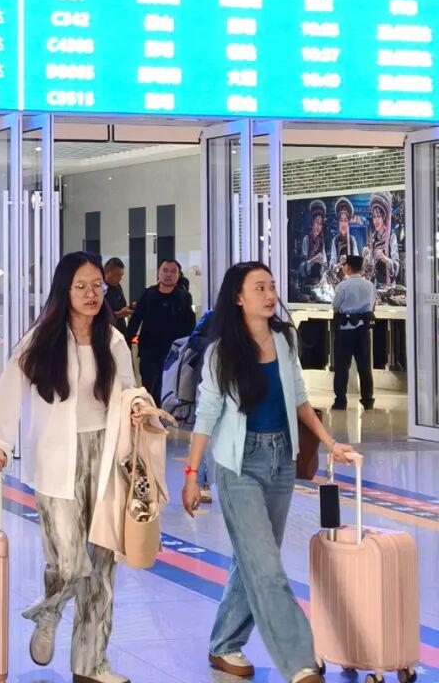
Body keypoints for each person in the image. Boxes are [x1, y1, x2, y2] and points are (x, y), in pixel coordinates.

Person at [181, 261, 354, 683]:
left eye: (272, 286)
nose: (270, 294)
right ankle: (301, 663)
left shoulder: (284, 340)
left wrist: (330, 443)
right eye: (259, 288)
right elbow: (206, 415)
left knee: (254, 559)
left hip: (281, 462)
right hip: (237, 465)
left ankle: (224, 644)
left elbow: (299, 400)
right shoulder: (221, 351)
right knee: (267, 568)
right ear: (238, 298)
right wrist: (191, 475)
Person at [0, 252, 139, 683]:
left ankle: (91, 665)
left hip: (106, 458)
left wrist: (140, 410)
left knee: (102, 568)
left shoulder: (113, 341)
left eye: (97, 286)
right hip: (56, 459)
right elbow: (8, 390)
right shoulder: (41, 340)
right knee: (69, 563)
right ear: (64, 292)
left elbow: (128, 393)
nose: (91, 294)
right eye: (81, 287)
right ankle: (49, 611)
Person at [126, 259, 195, 403]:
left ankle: (166, 414)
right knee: (149, 387)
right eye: (165, 270)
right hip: (149, 350)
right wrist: (128, 341)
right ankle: (150, 413)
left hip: (173, 352)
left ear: (178, 275)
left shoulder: (183, 297)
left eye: (173, 271)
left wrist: (189, 347)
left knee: (170, 387)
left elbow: (189, 325)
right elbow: (136, 319)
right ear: (158, 273)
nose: (168, 274)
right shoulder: (148, 294)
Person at [332, 255, 376, 411]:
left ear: (348, 267)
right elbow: (372, 305)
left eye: (345, 265)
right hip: (363, 330)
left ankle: (340, 401)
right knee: (365, 367)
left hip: (345, 330)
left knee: (342, 367)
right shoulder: (369, 286)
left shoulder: (342, 286)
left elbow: (336, 306)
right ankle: (368, 401)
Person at [367, 191, 399, 286]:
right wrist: (366, 257)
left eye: (378, 216)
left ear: (384, 217)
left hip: (389, 287)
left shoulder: (391, 237)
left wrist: (385, 259)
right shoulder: (373, 237)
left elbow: (396, 267)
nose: (375, 220)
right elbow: (370, 266)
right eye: (374, 216)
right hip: (375, 285)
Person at [328, 197, 359, 278]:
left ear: (348, 223)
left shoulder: (352, 240)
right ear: (338, 222)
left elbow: (357, 261)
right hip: (339, 279)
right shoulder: (335, 240)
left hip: (351, 278)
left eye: (345, 220)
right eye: (341, 220)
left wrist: (347, 259)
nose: (343, 224)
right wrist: (335, 266)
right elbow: (333, 261)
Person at [298, 199, 327, 284]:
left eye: (320, 224)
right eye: (317, 222)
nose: (318, 226)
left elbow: (324, 264)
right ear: (312, 222)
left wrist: (324, 275)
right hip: (307, 283)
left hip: (319, 283)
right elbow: (302, 269)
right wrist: (314, 259)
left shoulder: (321, 242)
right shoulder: (306, 239)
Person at [103, 257, 131, 337]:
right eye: (117, 275)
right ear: (107, 273)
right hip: (106, 333)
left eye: (121, 275)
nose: (120, 278)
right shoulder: (98, 289)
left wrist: (128, 308)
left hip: (120, 331)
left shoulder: (117, 286)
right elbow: (97, 316)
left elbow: (123, 305)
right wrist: (117, 315)